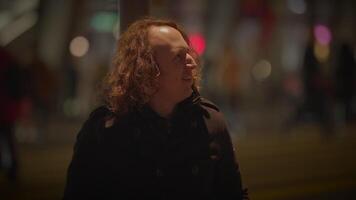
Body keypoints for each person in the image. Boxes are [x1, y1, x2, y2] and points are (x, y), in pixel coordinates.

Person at [63, 18, 248, 200]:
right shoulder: (103, 132)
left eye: (189, 53)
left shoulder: (211, 122)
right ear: (147, 69)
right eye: (179, 56)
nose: (192, 62)